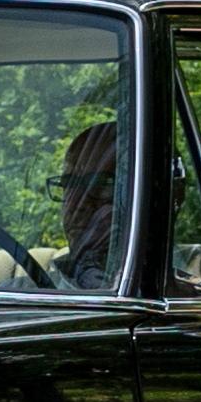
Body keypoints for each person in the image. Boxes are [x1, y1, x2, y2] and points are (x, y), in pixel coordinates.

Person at [55, 117, 121, 287]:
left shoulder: (184, 290)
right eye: (68, 184)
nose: (75, 205)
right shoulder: (27, 289)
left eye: (102, 184)